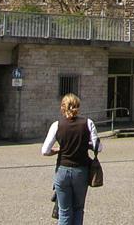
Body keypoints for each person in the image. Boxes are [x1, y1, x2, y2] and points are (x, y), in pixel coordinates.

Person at [41, 93, 101, 225]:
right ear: (78, 107)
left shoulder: (56, 125)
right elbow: (99, 147)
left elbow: (45, 151)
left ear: (62, 108)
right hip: (81, 170)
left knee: (64, 210)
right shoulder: (88, 123)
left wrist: (57, 150)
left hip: (62, 170)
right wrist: (86, 145)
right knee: (78, 208)